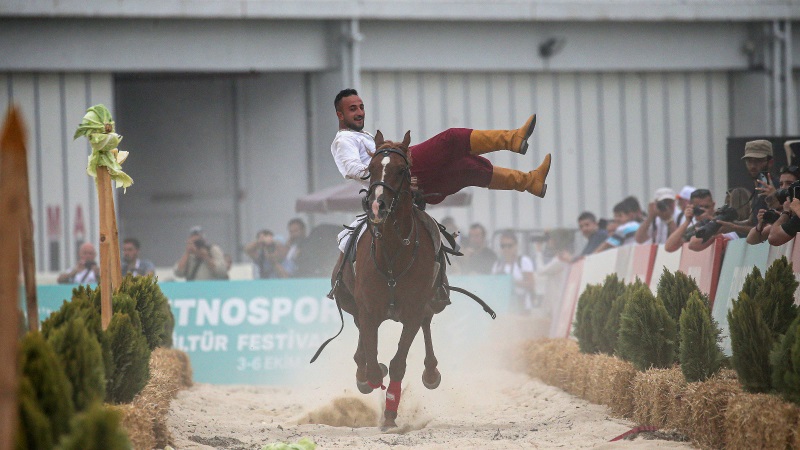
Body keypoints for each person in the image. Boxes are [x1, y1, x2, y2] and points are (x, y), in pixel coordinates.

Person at [330, 88, 551, 203]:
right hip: (400, 175)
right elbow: (351, 169)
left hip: (404, 182)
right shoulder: (343, 140)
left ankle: (530, 182)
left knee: (468, 168)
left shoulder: (361, 135)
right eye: (353, 109)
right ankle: (512, 139)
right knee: (451, 139)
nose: (360, 112)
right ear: (340, 115)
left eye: (361, 107)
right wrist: (387, 168)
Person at [687, 187, 752, 252]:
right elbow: (691, 242)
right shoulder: (755, 224)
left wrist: (716, 226)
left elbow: (694, 244)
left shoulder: (727, 228)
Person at [749, 165, 800, 244]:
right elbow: (751, 240)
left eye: (789, 183)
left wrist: (786, 213)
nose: (783, 187)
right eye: (781, 184)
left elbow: (774, 238)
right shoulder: (786, 215)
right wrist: (760, 225)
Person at [491, 231, 535, 314]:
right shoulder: (497, 265)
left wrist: (511, 282)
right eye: (503, 246)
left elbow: (531, 284)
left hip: (522, 307)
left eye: (509, 246)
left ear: (516, 246)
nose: (506, 249)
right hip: (503, 307)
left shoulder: (523, 262)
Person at [742, 139, 775, 225]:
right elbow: (754, 223)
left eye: (758, 161)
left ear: (770, 162)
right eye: (749, 161)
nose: (753, 166)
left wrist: (776, 197)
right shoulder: (758, 187)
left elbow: (766, 229)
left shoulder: (776, 187)